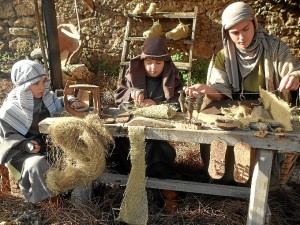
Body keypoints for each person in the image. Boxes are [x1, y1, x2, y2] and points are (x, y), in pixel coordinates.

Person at [183, 2, 300, 184]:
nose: (241, 37)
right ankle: (221, 176)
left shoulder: (276, 49)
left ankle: (258, 179)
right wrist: (206, 89)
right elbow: (221, 92)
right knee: (207, 113)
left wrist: (294, 76)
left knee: (260, 128)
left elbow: (293, 70)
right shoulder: (224, 56)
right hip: (234, 108)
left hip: (268, 108)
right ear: (226, 33)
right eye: (234, 33)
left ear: (254, 23)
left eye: (245, 29)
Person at [113, 37, 183, 213]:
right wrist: (132, 93)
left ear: (165, 62)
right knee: (119, 143)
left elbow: (178, 101)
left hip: (158, 131)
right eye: (149, 62)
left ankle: (169, 192)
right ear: (143, 61)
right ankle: (130, 189)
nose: (153, 67)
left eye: (158, 63)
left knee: (156, 148)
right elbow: (119, 94)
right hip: (135, 128)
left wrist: (157, 106)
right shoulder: (133, 74)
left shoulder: (172, 75)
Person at [0, 60, 84, 205]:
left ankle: (71, 195)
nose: (42, 87)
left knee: (76, 152)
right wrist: (26, 145)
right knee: (37, 164)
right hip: (21, 153)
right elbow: (5, 140)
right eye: (36, 83)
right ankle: (47, 204)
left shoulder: (46, 97)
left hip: (46, 145)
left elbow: (59, 101)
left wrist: (71, 100)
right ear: (24, 85)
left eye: (43, 81)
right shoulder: (10, 110)